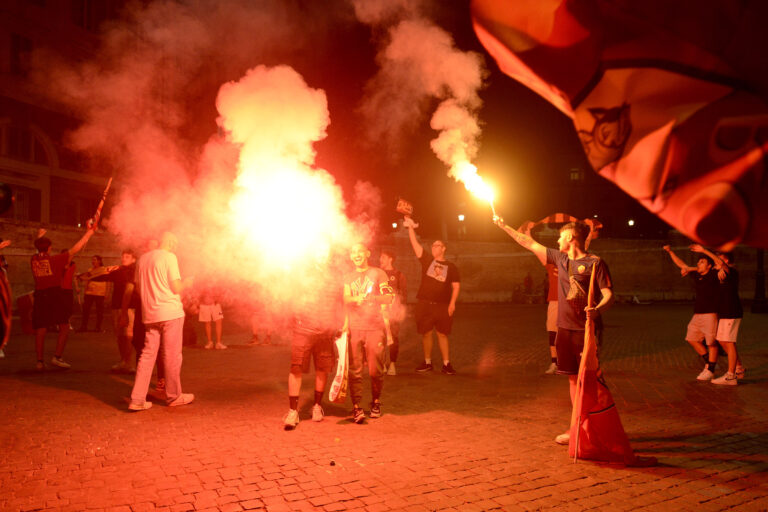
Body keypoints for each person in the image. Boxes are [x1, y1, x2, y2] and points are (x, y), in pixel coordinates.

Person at [495, 219, 614, 445]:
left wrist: (596, 310)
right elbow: (528, 243)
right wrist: (504, 226)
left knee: (587, 381)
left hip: (585, 330)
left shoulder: (595, 263)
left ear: (570, 237)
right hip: (565, 329)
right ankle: (577, 426)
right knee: (572, 380)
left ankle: (591, 425)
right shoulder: (560, 258)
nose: (557, 240)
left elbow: (608, 294)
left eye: (560, 237)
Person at [128, 232, 194, 411]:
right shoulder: (169, 257)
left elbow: (138, 288)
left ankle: (137, 399)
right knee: (172, 355)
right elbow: (176, 287)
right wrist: (187, 282)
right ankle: (173, 396)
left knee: (147, 355)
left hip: (150, 314)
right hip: (170, 313)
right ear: (171, 242)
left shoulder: (142, 259)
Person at [31, 226, 96, 370]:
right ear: (49, 248)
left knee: (41, 329)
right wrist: (88, 234)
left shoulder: (34, 260)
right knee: (64, 327)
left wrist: (39, 237)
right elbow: (75, 249)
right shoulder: (55, 260)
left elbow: (38, 249)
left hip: (40, 296)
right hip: (54, 295)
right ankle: (57, 357)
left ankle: (39, 362)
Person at [283, 271, 342, 430]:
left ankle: (317, 406)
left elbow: (339, 304)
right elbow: (290, 297)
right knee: (296, 367)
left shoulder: (334, 277)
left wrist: (338, 325)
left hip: (325, 331)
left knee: (322, 369)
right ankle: (293, 411)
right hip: (303, 330)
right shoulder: (302, 274)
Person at [402, 217, 460, 375]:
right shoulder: (427, 261)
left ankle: (446, 364)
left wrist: (452, 304)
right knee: (426, 333)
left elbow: (456, 286)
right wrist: (411, 228)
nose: (434, 247)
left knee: (442, 334)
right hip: (424, 304)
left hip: (442, 305)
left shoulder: (451, 266)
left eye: (437, 245)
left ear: (444, 248)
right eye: (433, 245)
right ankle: (427, 362)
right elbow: (415, 245)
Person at [343, 243, 393, 423]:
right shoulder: (348, 277)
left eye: (359, 251)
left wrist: (373, 298)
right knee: (355, 370)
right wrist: (357, 298)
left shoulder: (379, 273)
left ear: (367, 253)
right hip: (355, 328)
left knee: (375, 370)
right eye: (353, 252)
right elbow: (346, 298)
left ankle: (376, 402)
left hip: (375, 328)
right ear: (351, 256)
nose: (356, 254)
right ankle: (356, 407)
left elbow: (389, 297)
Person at [689, 245, 745, 385]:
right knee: (722, 340)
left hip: (731, 311)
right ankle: (738, 368)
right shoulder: (720, 272)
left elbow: (722, 265)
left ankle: (731, 376)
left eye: (719, 258)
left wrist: (704, 251)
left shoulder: (731, 271)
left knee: (729, 342)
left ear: (725, 259)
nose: (715, 261)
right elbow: (703, 269)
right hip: (724, 312)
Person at [663, 245, 720, 381]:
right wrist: (670, 251)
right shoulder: (697, 275)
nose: (698, 264)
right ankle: (710, 363)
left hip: (710, 313)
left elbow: (718, 263)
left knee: (711, 342)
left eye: (702, 262)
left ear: (709, 266)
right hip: (698, 313)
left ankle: (710, 369)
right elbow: (682, 265)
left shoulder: (714, 275)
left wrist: (704, 251)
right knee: (691, 338)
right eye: (698, 262)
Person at [91, 249, 138, 372]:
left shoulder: (134, 271)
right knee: (120, 336)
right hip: (116, 305)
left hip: (129, 307)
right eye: (123, 256)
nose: (124, 259)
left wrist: (125, 312)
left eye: (127, 257)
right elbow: (105, 276)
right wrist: (86, 276)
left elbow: (130, 290)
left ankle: (130, 363)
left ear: (134, 259)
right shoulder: (119, 270)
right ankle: (123, 361)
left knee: (128, 335)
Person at [379, 249, 407, 376]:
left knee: (393, 338)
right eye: (380, 257)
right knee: (380, 337)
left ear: (391, 259)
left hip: (393, 312)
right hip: (379, 312)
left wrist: (399, 311)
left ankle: (392, 364)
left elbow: (403, 295)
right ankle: (382, 362)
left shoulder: (398, 274)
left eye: (383, 257)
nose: (381, 259)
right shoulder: (377, 274)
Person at [77, 255, 109, 332]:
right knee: (86, 310)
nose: (93, 261)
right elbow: (88, 281)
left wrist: (107, 293)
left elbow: (108, 282)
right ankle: (83, 327)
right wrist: (85, 291)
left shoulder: (104, 270)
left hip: (100, 293)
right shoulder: (90, 270)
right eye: (92, 260)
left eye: (94, 260)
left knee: (99, 311)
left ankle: (98, 327)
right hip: (89, 293)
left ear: (99, 261)